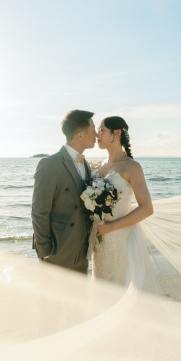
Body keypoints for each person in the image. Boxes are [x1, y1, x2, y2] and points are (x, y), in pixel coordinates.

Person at [31, 109, 97, 273]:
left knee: (80, 299)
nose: (96, 135)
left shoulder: (87, 165)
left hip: (82, 255)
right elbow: (39, 211)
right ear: (80, 135)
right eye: (93, 129)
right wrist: (45, 252)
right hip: (57, 254)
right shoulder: (50, 164)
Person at [92, 116, 154, 285]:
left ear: (116, 133)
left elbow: (147, 208)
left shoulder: (132, 167)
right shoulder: (98, 166)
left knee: (118, 285)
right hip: (99, 240)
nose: (97, 135)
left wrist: (111, 226)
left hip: (120, 237)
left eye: (102, 130)